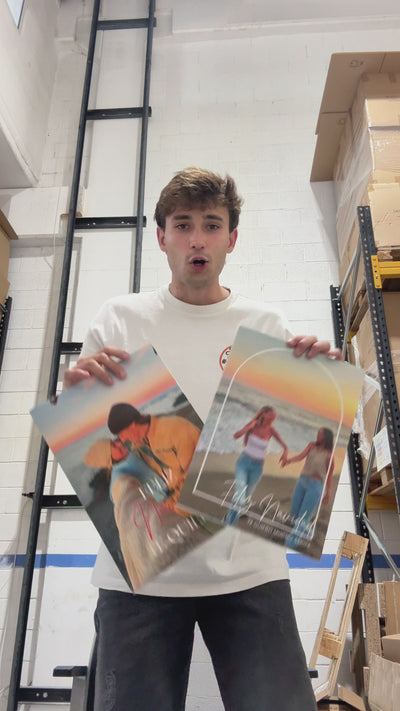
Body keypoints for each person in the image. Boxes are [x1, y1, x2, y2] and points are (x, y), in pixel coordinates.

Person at [64, 167, 343, 711]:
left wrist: (321, 383)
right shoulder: (119, 320)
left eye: (212, 225)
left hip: (250, 570)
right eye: (183, 224)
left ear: (231, 239)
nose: (197, 239)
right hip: (139, 577)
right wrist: (75, 400)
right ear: (162, 236)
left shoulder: (265, 325)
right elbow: (92, 450)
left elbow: (305, 434)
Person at [224, 406, 288, 525]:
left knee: (245, 497)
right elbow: (236, 435)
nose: (273, 418)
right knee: (240, 495)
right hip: (243, 463)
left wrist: (285, 454)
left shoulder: (271, 431)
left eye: (274, 417)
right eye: (271, 415)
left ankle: (229, 519)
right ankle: (229, 522)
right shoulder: (253, 425)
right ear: (263, 414)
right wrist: (249, 427)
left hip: (257, 468)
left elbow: (285, 446)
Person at [282, 427, 335, 549]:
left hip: (315, 488)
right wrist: (288, 461)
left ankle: (289, 544)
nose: (317, 435)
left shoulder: (328, 456)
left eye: (320, 434)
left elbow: (330, 475)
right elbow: (301, 456)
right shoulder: (311, 446)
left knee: (303, 518)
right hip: (302, 482)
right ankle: (306, 531)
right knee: (295, 512)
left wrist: (328, 493)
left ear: (325, 437)